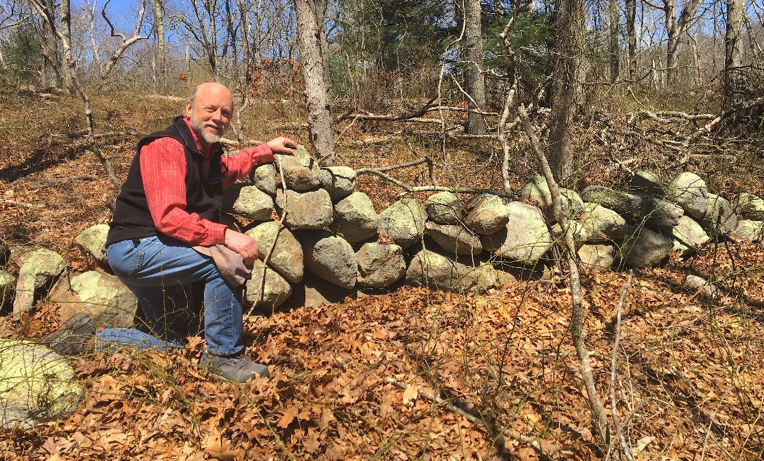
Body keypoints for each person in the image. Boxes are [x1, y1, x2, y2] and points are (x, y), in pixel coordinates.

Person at [104, 82, 296, 382]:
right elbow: (169, 217)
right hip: (136, 249)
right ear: (189, 109)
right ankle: (225, 357)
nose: (218, 118)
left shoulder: (203, 151)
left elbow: (227, 169)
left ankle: (93, 340)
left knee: (173, 340)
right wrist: (227, 235)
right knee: (228, 261)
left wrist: (263, 150)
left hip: (152, 248)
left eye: (225, 113)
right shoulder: (167, 146)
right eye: (210, 109)